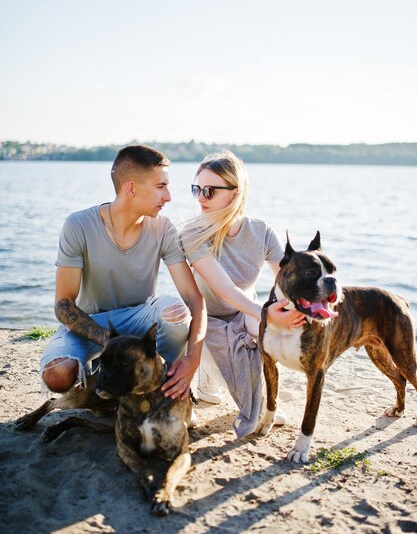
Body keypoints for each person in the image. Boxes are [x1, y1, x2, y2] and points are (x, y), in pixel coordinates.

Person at [41, 145, 206, 402]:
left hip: (139, 317)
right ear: (131, 188)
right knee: (57, 376)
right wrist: (114, 344)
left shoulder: (164, 228)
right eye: (161, 186)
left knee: (175, 313)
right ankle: (101, 367)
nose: (169, 196)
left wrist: (191, 361)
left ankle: (170, 382)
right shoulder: (79, 225)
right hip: (90, 323)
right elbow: (63, 306)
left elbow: (195, 300)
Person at [180, 150, 305, 437]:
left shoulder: (260, 231)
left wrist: (295, 310)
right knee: (255, 319)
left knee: (268, 327)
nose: (201, 197)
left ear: (234, 194)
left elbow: (285, 282)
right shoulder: (193, 233)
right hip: (204, 316)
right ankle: (209, 383)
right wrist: (266, 313)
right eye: (197, 189)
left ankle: (262, 399)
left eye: (209, 191)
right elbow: (223, 288)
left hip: (244, 311)